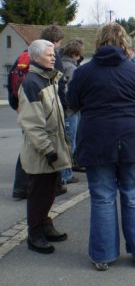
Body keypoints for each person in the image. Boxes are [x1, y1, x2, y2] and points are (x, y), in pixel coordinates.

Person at [67, 23, 135, 271]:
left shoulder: (84, 72)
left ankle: (103, 256)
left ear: (99, 41)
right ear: (124, 41)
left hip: (97, 139)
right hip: (132, 139)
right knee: (134, 196)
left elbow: (72, 102)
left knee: (103, 198)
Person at [17, 39, 72, 254]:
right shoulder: (32, 83)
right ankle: (35, 233)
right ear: (37, 56)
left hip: (51, 148)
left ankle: (45, 225)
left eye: (53, 54)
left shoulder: (48, 79)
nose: (54, 57)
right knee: (39, 194)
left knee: (49, 192)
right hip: (42, 151)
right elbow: (32, 123)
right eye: (50, 54)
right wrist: (48, 149)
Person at [10, 24, 66, 200]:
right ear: (55, 41)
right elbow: (59, 84)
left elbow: (12, 80)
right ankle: (53, 186)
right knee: (47, 146)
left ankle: (20, 188)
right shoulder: (50, 56)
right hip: (43, 106)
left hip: (23, 105)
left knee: (29, 146)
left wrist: (16, 105)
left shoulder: (23, 55)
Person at [58, 39, 85, 185]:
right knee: (69, 142)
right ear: (75, 54)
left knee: (63, 141)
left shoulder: (60, 63)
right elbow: (72, 91)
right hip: (70, 110)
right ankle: (66, 174)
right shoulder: (72, 68)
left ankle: (64, 173)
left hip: (61, 108)